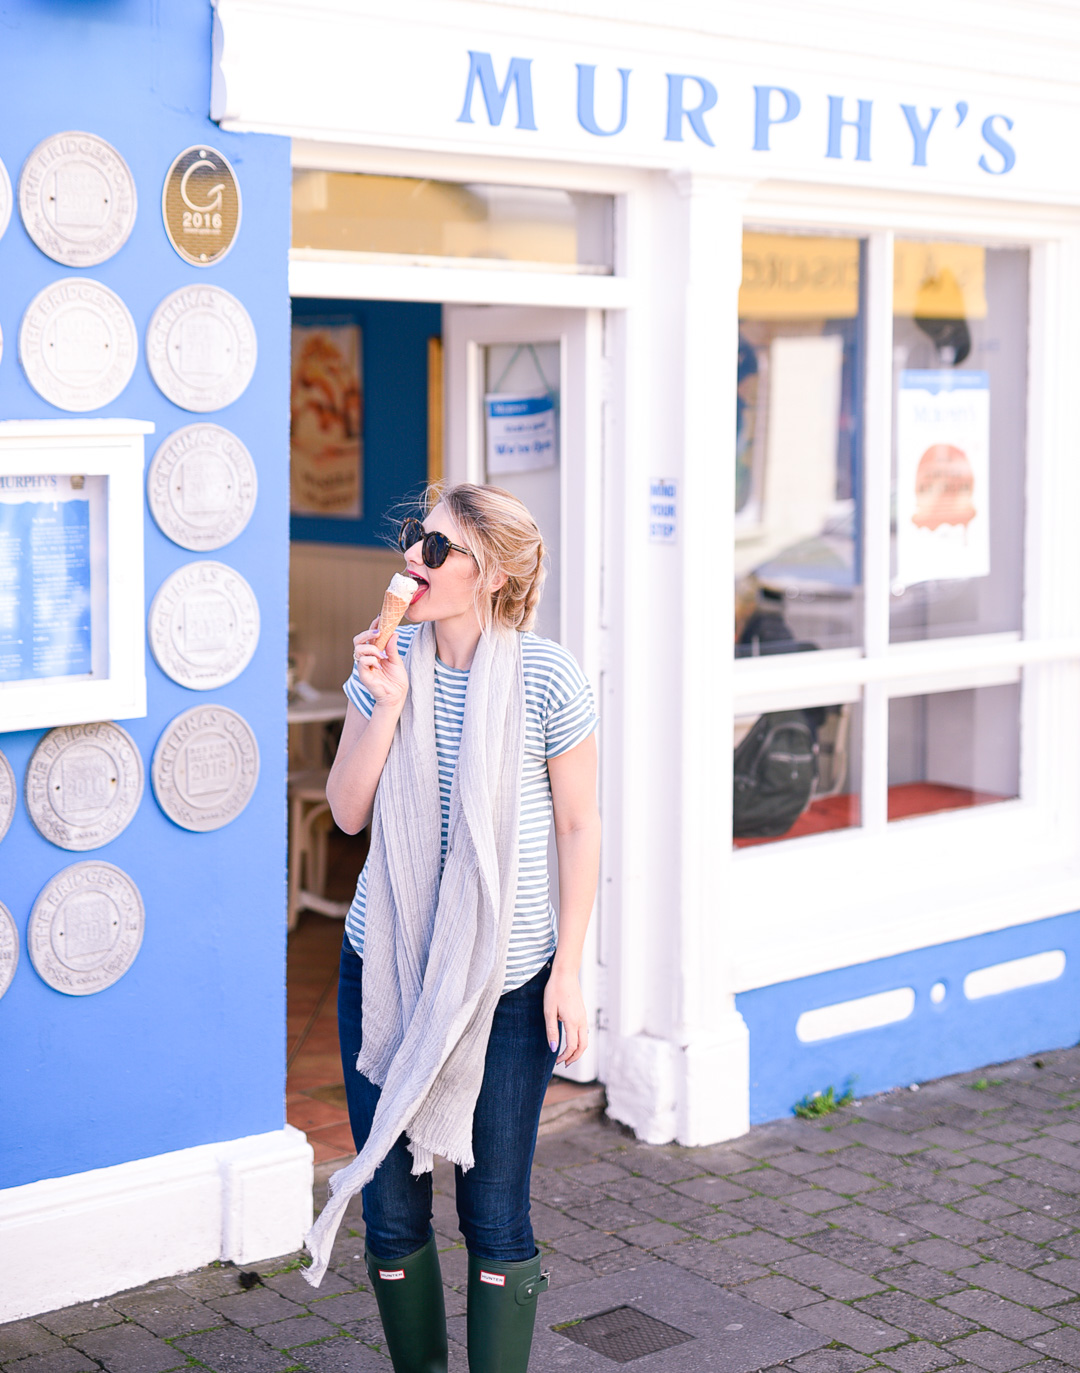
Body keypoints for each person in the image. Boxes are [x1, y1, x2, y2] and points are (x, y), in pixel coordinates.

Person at [307, 483, 601, 1373]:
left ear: (495, 573)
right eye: (414, 540)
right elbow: (348, 814)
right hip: (387, 965)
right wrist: (383, 700)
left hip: (506, 983)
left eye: (438, 550)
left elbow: (581, 826)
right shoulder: (385, 663)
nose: (413, 561)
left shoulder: (548, 676)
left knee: (494, 1211)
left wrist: (570, 969)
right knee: (392, 1209)